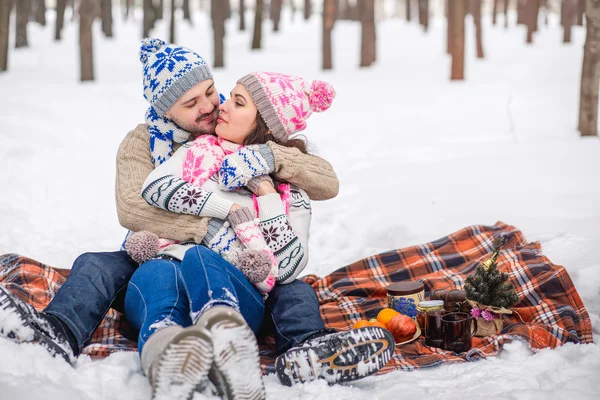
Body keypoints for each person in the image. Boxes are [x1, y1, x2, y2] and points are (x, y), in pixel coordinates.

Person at [0, 39, 394, 393]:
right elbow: (134, 208)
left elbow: (320, 183)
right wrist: (221, 226)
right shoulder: (151, 145)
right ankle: (57, 332)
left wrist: (269, 162)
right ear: (166, 111)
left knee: (294, 289)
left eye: (211, 92)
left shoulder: (233, 129)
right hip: (162, 252)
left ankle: (305, 348)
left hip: (244, 273)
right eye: (191, 104)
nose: (210, 106)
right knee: (99, 265)